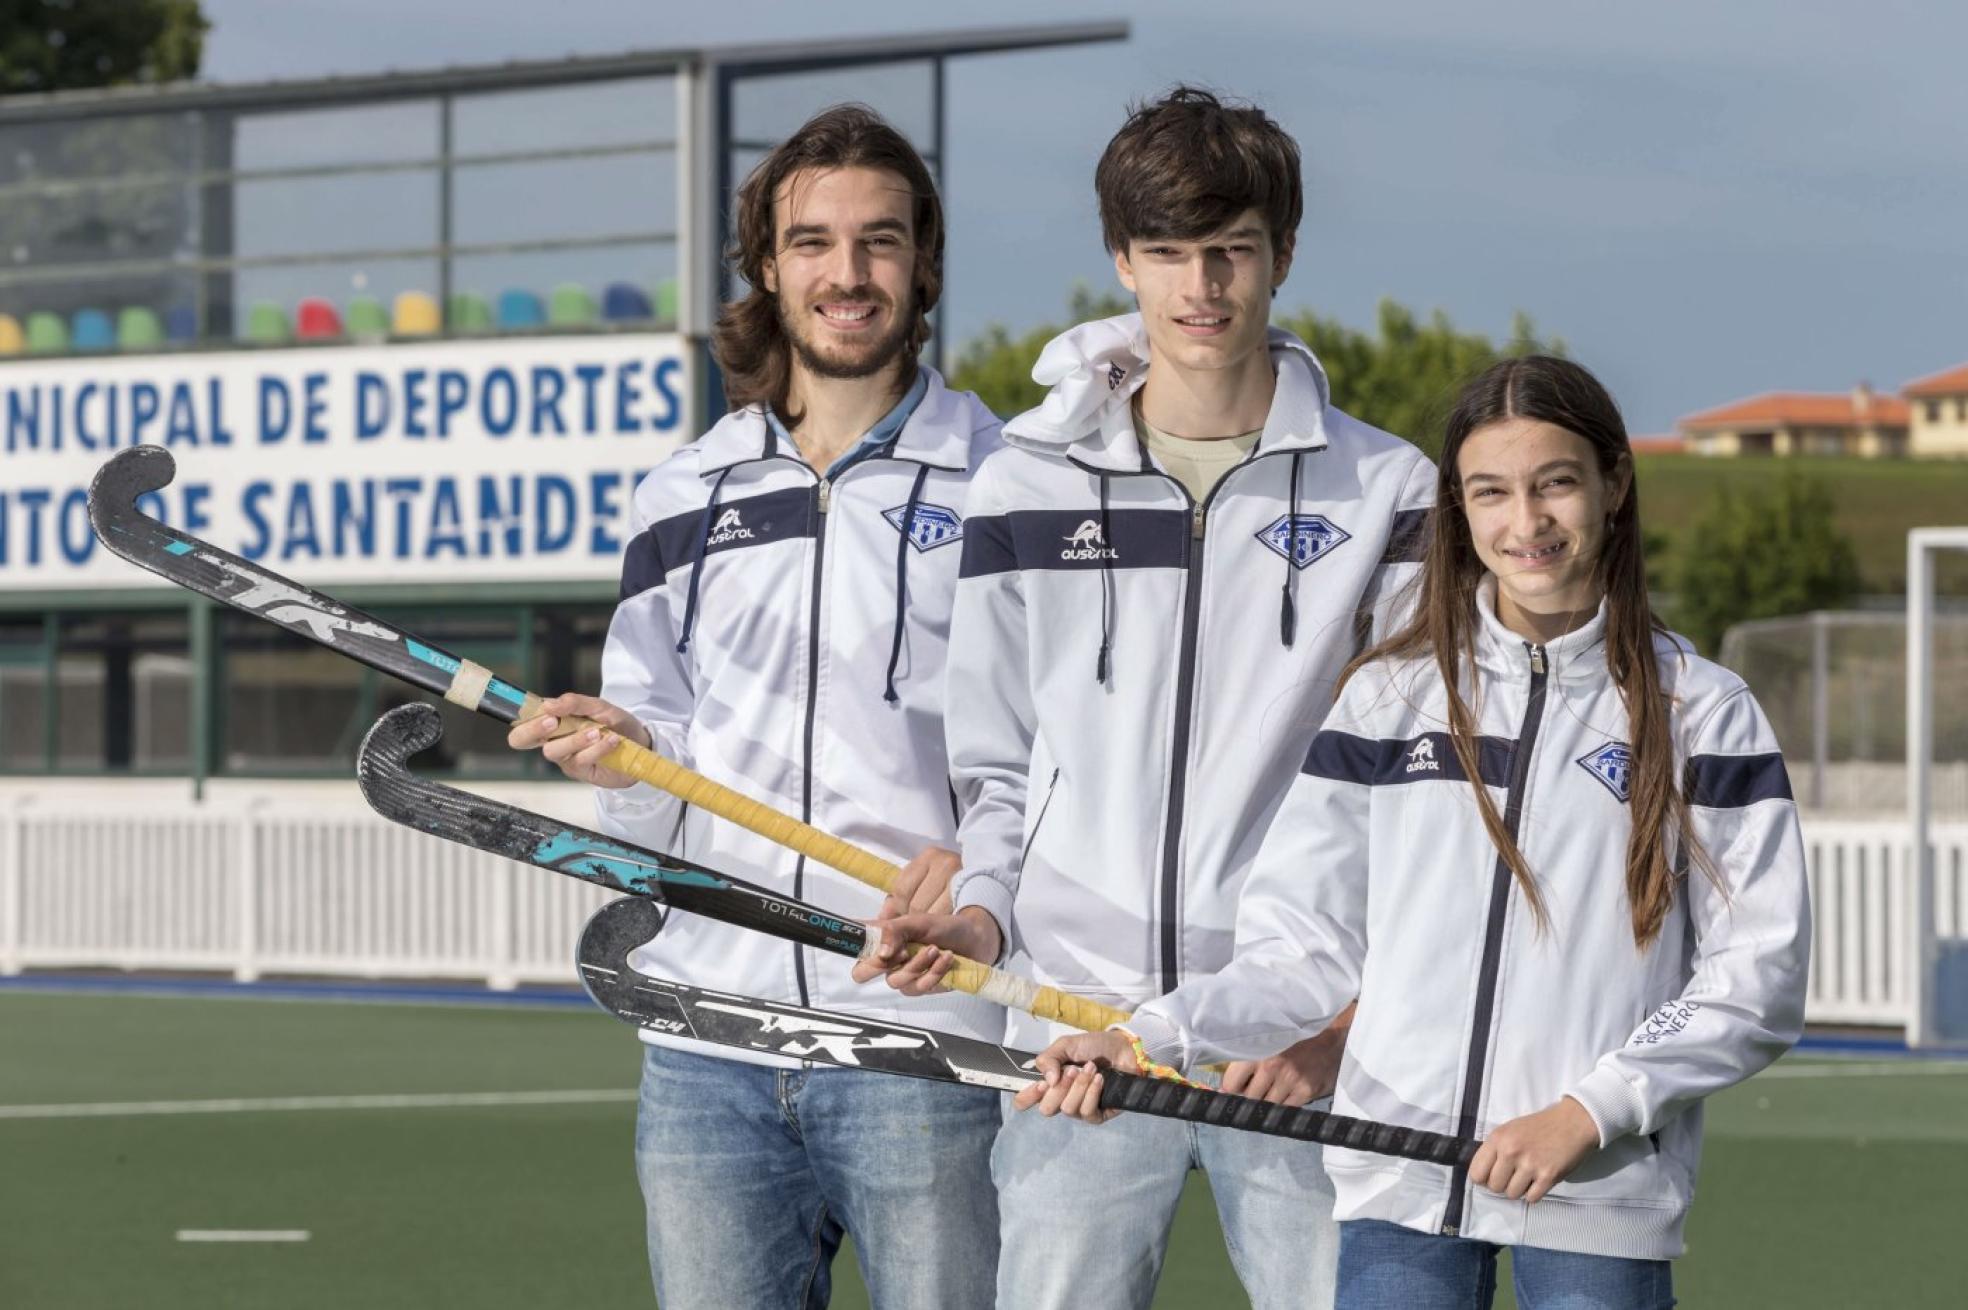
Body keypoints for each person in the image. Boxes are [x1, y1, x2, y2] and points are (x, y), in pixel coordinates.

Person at [1025, 354, 1812, 1310]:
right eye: (1492, 492)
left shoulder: (1703, 712)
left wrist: (1587, 1114)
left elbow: (1756, 975)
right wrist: (1144, 1038)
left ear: (1614, 485)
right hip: (1395, 1187)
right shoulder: (1389, 699)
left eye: (1555, 483)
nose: (1525, 523)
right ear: (1461, 509)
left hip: (1596, 1191)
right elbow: (1304, 950)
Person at [855, 88, 1434, 1309]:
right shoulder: (1022, 482)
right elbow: (999, 769)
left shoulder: (1388, 491)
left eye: (1231, 249)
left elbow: (1419, 793)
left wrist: (1341, 1020)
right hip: (1083, 1030)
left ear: (1283, 251)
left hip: (1296, 1044)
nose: (1202, 286)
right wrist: (983, 921)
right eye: (1167, 252)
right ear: (1122, 259)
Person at [508, 105, 1003, 1310]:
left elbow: (1035, 756)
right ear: (769, 266)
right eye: (815, 242)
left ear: (922, 261)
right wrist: (624, 748)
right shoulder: (683, 488)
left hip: (918, 1031)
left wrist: (986, 870)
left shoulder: (1008, 477)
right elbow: (660, 719)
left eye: (880, 241)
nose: (848, 273)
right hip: (706, 1037)